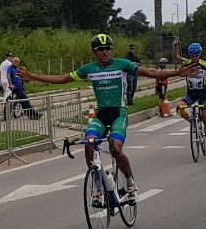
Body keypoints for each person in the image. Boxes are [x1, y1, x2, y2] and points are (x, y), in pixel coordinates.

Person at [19, 34, 194, 199]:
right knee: (89, 145)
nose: (104, 52)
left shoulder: (123, 64)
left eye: (107, 48)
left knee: (116, 149)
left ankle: (130, 182)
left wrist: (176, 73)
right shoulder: (89, 68)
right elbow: (63, 78)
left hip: (119, 113)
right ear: (94, 52)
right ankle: (99, 188)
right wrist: (33, 76)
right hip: (101, 115)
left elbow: (151, 72)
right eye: (100, 49)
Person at [3, 53, 40, 119]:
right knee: (25, 99)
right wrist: (10, 84)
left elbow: (21, 77)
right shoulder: (10, 68)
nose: (15, 62)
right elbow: (8, 75)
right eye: (14, 61)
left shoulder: (18, 69)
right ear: (12, 62)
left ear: (19, 63)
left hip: (20, 86)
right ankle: (34, 114)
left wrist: (26, 79)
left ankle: (30, 115)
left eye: (17, 61)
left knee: (23, 101)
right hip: (15, 86)